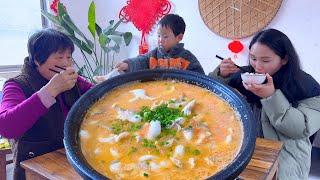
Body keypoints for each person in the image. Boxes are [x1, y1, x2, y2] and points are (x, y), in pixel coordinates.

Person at [209, 28, 320, 180]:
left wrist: (271, 97)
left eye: (265, 60)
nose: (257, 66)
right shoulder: (243, 75)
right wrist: (221, 76)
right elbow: (210, 103)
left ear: (284, 59)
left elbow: (300, 128)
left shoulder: (307, 87)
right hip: (241, 150)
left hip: (284, 160)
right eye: (253, 58)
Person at [0, 28, 93, 179]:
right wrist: (50, 90)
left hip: (70, 158)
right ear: (37, 59)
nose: (65, 63)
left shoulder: (73, 80)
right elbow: (6, 127)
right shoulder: (17, 84)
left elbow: (96, 95)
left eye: (69, 57)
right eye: (59, 57)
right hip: (35, 165)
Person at [115, 14, 205, 74]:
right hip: (155, 94)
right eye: (158, 36)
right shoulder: (153, 54)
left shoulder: (187, 57)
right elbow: (141, 61)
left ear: (179, 37)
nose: (160, 40)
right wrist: (127, 65)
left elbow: (200, 78)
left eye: (165, 37)